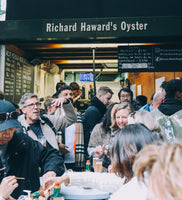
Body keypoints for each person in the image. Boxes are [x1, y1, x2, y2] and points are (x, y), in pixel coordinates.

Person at [43, 124, 161, 200]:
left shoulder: (130, 192)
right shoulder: (154, 177)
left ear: (126, 153)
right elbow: (103, 180)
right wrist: (66, 177)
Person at [0, 100, 65, 199]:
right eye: (3, 129)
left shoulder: (22, 141)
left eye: (11, 129)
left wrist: (51, 170)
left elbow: (50, 154)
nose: (7, 134)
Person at [58, 85, 85, 171]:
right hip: (59, 161)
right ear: (59, 98)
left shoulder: (79, 118)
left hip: (76, 161)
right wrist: (57, 145)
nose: (69, 96)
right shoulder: (54, 117)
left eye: (71, 94)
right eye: (65, 94)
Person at [88, 103, 119, 171]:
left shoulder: (126, 130)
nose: (117, 116)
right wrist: (99, 152)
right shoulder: (99, 128)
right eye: (115, 113)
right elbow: (90, 149)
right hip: (101, 168)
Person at [83, 86, 113, 156]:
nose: (109, 101)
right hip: (95, 148)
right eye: (108, 98)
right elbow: (92, 132)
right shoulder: (93, 111)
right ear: (100, 96)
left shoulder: (96, 109)